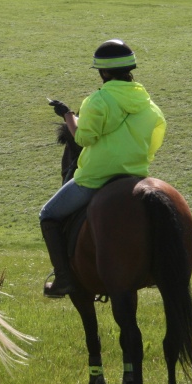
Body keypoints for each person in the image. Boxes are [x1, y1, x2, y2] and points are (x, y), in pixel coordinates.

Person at [40, 39, 166, 298]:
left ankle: (63, 278)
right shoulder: (150, 106)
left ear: (104, 72)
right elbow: (153, 144)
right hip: (135, 176)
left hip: (95, 178)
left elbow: (83, 138)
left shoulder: (97, 100)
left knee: (48, 215)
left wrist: (67, 115)